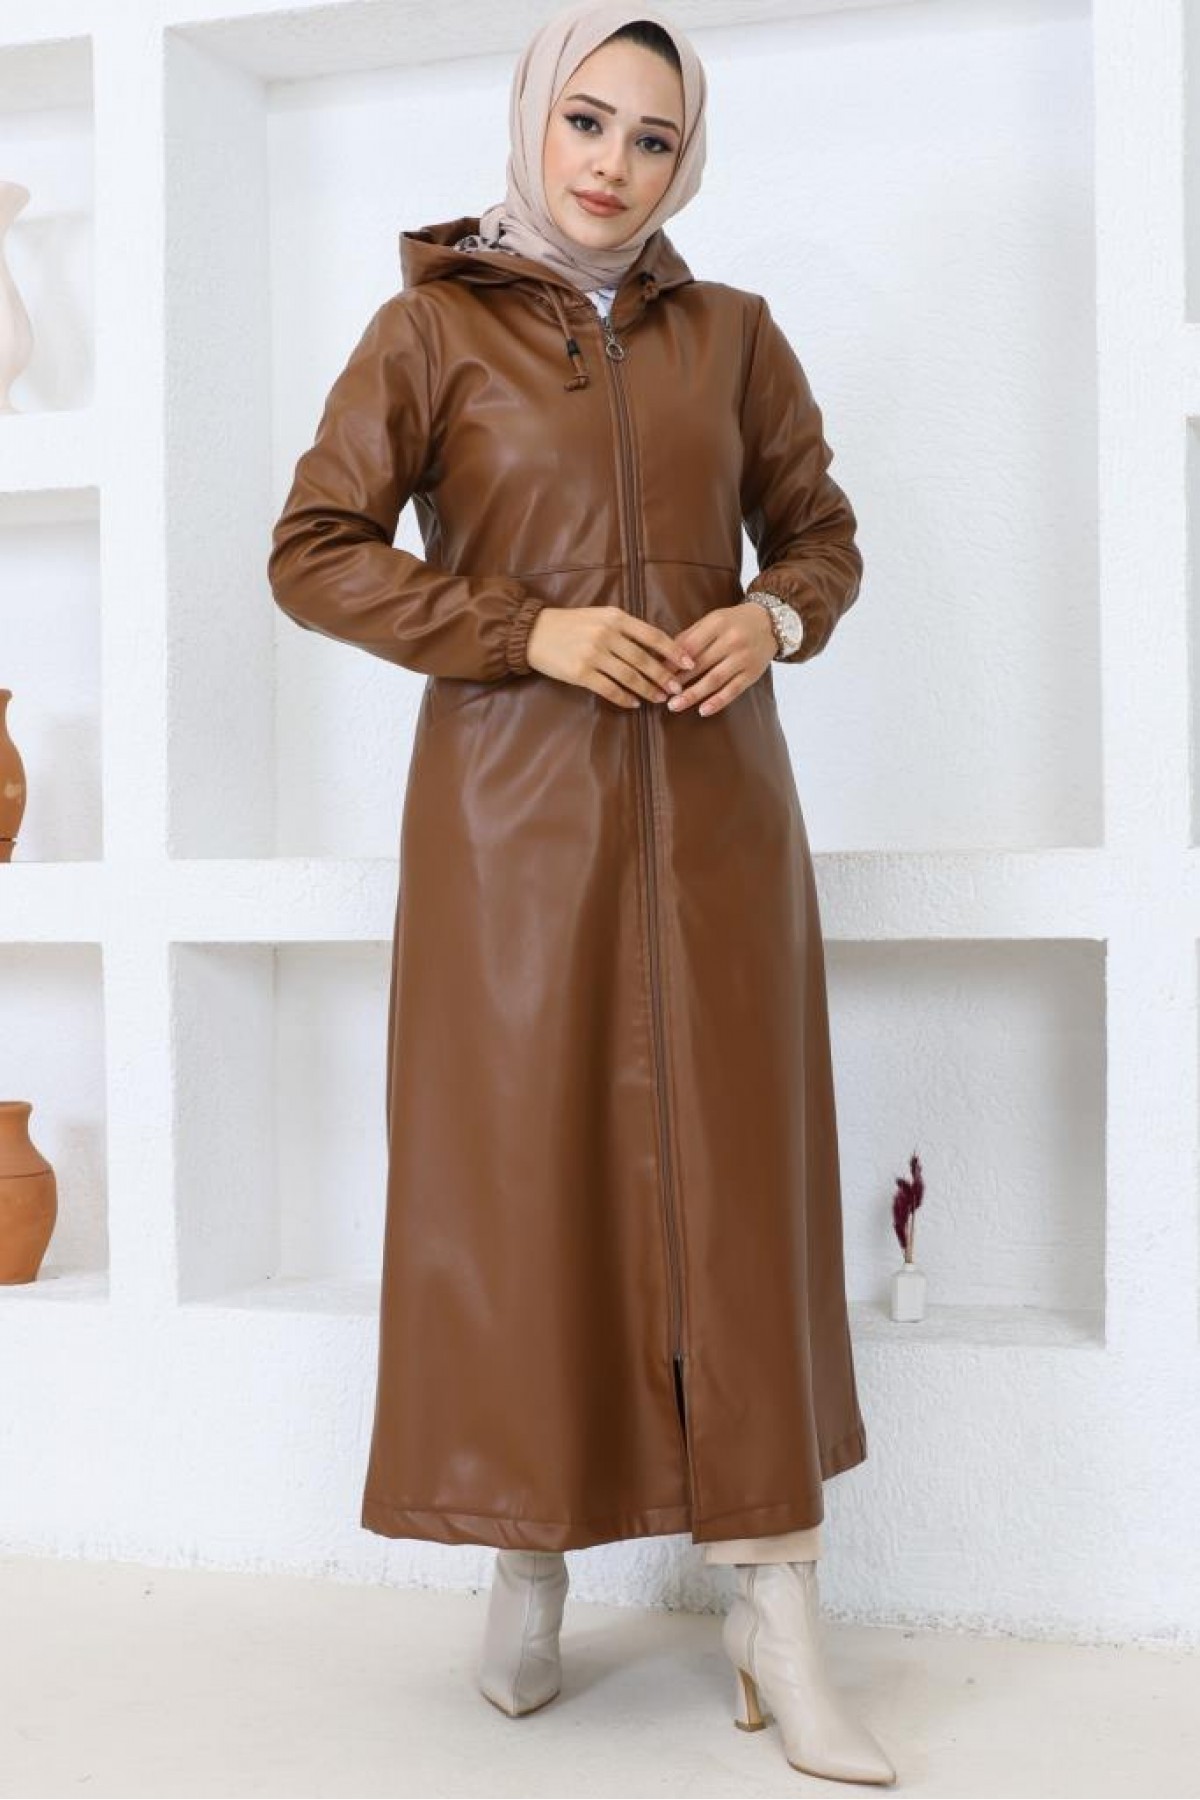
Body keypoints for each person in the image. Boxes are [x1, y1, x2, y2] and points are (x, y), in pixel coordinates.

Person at [268, 0, 895, 1784]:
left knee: (742, 1201)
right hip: (512, 838)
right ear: (536, 117)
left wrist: (770, 618)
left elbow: (822, 534)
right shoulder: (428, 329)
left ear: (689, 163)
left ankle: (780, 1610)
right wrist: (521, 629)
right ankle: (525, 1553)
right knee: (522, 1185)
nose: (617, 163)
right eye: (591, 122)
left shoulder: (735, 336)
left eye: (656, 139)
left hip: (720, 825)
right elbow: (313, 551)